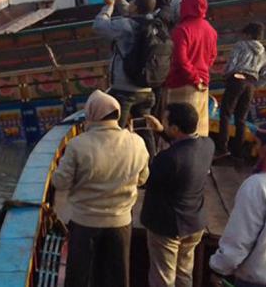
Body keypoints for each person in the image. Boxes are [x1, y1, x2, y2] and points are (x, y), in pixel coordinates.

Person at [52, 90, 150, 287]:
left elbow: (60, 182)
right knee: (117, 276)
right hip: (120, 221)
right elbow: (142, 178)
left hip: (84, 221)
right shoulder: (137, 142)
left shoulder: (78, 145)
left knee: (79, 276)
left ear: (92, 114)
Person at [141, 103, 215, 287]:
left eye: (166, 122)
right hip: (194, 222)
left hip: (168, 227)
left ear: (175, 128)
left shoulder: (168, 159)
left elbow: (146, 180)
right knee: (184, 273)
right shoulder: (208, 145)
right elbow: (183, 144)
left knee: (163, 278)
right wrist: (161, 131)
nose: (163, 123)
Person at [94, 0, 159, 152]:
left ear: (136, 7)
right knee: (144, 131)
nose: (129, 4)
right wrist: (120, 0)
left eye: (132, 2)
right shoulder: (153, 22)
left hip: (124, 91)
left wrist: (108, 7)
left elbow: (99, 26)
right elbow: (136, 13)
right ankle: (151, 166)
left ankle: (118, 168)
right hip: (146, 88)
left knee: (115, 133)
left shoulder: (125, 25)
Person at [209, 126, 266, 287]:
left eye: (258, 144)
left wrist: (218, 268)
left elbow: (239, 239)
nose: (255, 149)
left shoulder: (257, 186)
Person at [165, 0, 218, 137]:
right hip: (203, 84)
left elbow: (180, 59)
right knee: (200, 128)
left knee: (180, 130)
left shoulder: (181, 30)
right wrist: (201, 76)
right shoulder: (211, 30)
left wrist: (194, 77)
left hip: (182, 83)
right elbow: (212, 56)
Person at [216, 22, 266, 159]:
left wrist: (226, 76)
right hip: (251, 83)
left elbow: (232, 64)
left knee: (225, 114)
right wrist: (255, 84)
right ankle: (238, 151)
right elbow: (264, 74)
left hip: (237, 79)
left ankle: (222, 148)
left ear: (248, 34)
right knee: (241, 118)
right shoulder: (262, 51)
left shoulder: (240, 45)